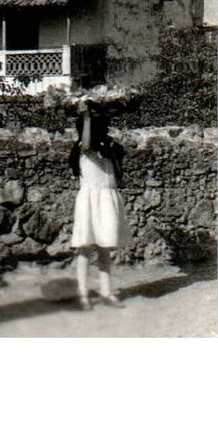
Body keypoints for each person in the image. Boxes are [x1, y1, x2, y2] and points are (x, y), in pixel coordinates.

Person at [68, 99, 129, 309]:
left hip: (106, 199)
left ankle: (106, 292)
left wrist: (113, 153)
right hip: (89, 201)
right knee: (84, 248)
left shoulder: (108, 150)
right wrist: (86, 118)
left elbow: (118, 177)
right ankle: (83, 294)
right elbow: (86, 143)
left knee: (104, 248)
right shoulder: (82, 148)